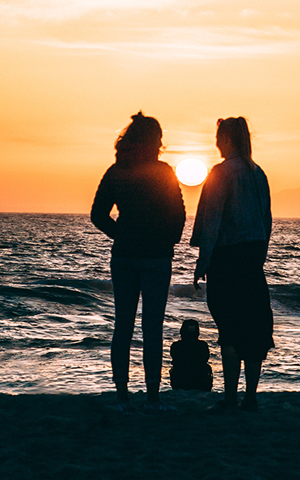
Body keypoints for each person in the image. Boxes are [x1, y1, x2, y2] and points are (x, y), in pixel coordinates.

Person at [91, 112, 186, 414]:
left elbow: (98, 215)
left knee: (124, 326)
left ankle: (122, 397)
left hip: (125, 256)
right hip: (156, 257)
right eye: (158, 139)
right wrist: (167, 239)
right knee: (152, 328)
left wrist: (122, 235)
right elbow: (179, 213)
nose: (161, 144)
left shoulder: (117, 171)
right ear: (152, 140)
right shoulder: (163, 171)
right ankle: (153, 399)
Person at [190, 116, 274, 413]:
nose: (215, 142)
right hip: (252, 258)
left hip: (227, 257)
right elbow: (267, 219)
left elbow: (212, 221)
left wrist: (203, 260)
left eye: (218, 137)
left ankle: (229, 397)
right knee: (254, 327)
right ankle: (250, 396)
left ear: (225, 139)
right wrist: (259, 254)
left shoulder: (221, 173)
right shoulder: (258, 173)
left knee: (229, 327)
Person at [169, 319, 213, 392]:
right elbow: (205, 359)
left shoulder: (176, 346)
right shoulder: (203, 345)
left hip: (180, 382)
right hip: (200, 382)